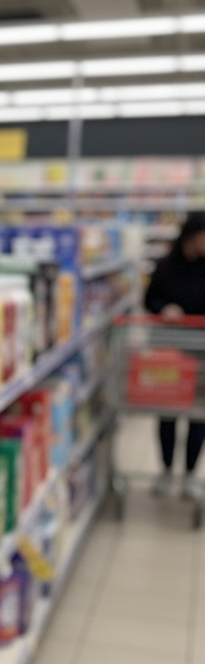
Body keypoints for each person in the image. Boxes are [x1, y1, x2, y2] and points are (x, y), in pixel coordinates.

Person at [144, 210, 205, 498]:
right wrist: (163, 309)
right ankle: (166, 471)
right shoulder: (167, 266)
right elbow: (149, 299)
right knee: (167, 413)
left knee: (198, 416)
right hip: (169, 351)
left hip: (201, 353)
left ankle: (191, 475)